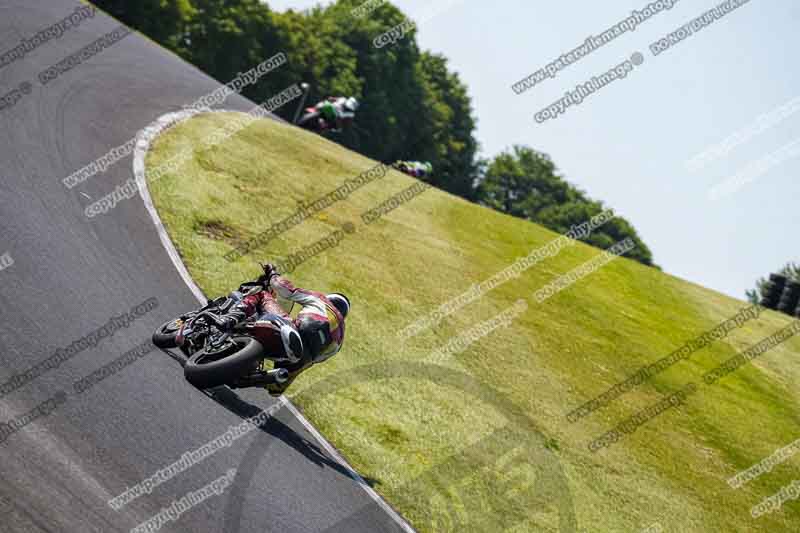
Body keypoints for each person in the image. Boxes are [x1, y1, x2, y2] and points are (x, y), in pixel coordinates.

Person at [217, 264, 349, 396]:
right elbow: (313, 362)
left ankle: (232, 318)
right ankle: (256, 376)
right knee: (275, 390)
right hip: (298, 360)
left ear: (330, 299)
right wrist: (287, 378)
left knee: (261, 293)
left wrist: (273, 274)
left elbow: (286, 289)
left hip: (294, 329)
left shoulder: (322, 299)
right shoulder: (339, 343)